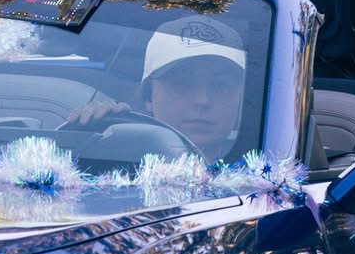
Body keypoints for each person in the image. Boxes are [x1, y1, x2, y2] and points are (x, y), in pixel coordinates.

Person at [66, 15, 249, 160]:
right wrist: (87, 142)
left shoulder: (269, 171)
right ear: (148, 97)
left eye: (221, 86)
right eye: (181, 84)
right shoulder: (119, 170)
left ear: (240, 100)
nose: (202, 100)